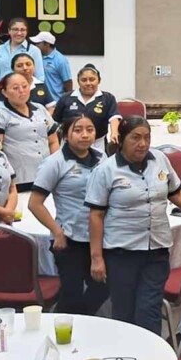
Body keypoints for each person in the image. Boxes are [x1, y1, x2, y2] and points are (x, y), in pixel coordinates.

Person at [86, 116, 181, 334]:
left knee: (148, 310)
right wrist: (96, 258)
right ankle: (125, 359)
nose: (142, 144)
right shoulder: (105, 170)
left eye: (147, 138)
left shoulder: (159, 159)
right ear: (121, 139)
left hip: (156, 249)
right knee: (124, 312)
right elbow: (96, 215)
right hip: (121, 252)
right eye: (135, 138)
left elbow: (175, 193)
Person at [29, 115, 109, 315]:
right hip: (69, 238)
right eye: (78, 130)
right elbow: (34, 204)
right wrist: (57, 231)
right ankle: (63, 328)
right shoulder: (54, 162)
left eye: (89, 130)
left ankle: (80, 322)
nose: (85, 135)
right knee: (71, 293)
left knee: (104, 286)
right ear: (66, 134)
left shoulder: (102, 158)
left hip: (99, 238)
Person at [0, 72, 60, 191]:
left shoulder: (40, 109)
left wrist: (55, 166)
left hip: (44, 176)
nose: (21, 91)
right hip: (17, 179)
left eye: (25, 86)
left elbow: (53, 141)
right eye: (15, 88)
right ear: (4, 92)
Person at [52, 64, 121, 152]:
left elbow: (114, 117)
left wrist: (114, 133)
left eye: (92, 79)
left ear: (99, 81)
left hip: (97, 145)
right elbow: (55, 121)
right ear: (78, 82)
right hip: (69, 146)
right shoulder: (66, 97)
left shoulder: (108, 98)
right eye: (84, 80)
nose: (88, 83)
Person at [0, 17, 44, 82]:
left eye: (22, 30)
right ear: (9, 31)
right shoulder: (0, 49)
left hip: (24, 91)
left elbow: (39, 77)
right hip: (3, 90)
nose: (19, 33)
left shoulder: (34, 50)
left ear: (26, 32)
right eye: (15, 29)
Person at [31, 31, 72, 101]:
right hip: (39, 101)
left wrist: (66, 101)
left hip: (56, 101)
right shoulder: (35, 56)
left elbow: (68, 82)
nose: (35, 45)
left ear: (47, 44)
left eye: (38, 43)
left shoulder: (61, 60)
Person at [0, 145, 17, 224]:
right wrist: (5, 213)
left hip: (3, 222)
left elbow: (12, 189)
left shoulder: (2, 156)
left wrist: (8, 212)